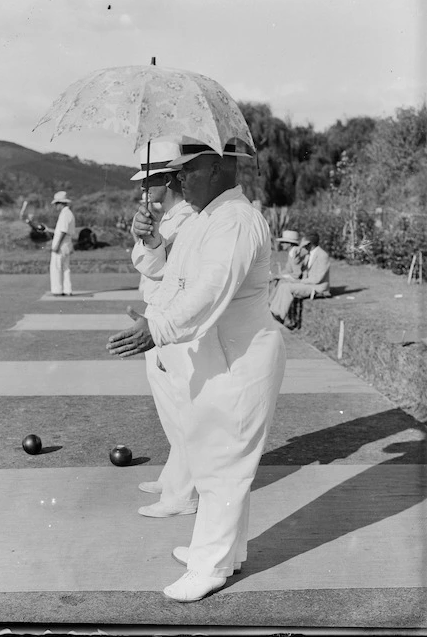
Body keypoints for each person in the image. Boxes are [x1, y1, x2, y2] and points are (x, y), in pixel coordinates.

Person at [107, 141, 287, 602]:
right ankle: (226, 553)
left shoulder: (237, 220)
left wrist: (159, 327)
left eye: (190, 169)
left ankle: (210, 566)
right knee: (210, 456)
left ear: (222, 167)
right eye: (179, 171)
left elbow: (210, 288)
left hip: (242, 358)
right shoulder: (204, 217)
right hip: (216, 353)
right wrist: (150, 239)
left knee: (226, 460)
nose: (179, 179)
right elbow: (170, 273)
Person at [129, 141, 196, 518]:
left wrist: (152, 239)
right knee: (169, 409)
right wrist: (148, 234)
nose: (143, 189)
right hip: (155, 313)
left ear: (169, 179)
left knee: (181, 409)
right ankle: (175, 476)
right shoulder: (166, 216)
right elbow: (145, 263)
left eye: (148, 180)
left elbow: (161, 270)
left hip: (170, 320)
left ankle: (183, 496)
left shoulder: (185, 218)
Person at [270, 231, 331, 325]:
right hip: (308, 283)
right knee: (283, 285)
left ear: (309, 244)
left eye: (303, 244)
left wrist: (300, 281)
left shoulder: (323, 255)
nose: (301, 247)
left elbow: (317, 279)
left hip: (317, 287)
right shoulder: (309, 253)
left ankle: (281, 316)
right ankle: (274, 311)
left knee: (287, 287)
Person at [49, 191, 76, 297]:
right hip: (66, 244)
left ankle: (57, 290)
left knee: (56, 267)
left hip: (62, 245)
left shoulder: (65, 214)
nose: (56, 206)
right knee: (65, 268)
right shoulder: (68, 213)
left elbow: (64, 231)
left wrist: (57, 245)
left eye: (56, 204)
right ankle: (67, 289)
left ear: (61, 203)